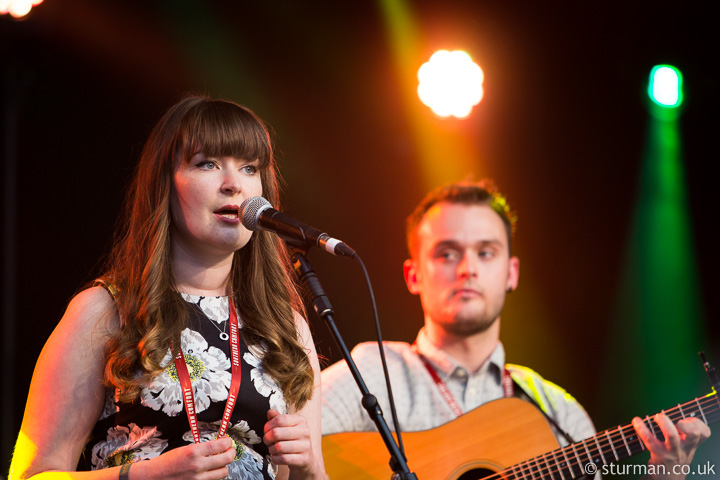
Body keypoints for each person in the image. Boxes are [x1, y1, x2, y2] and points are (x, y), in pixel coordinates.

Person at [10, 95, 327, 480]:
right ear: (165, 183)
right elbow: (30, 476)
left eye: (249, 168)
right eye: (207, 163)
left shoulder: (286, 326)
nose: (233, 185)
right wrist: (146, 476)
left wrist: (310, 470)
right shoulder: (106, 310)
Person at [321, 180, 710, 479]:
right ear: (414, 274)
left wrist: (667, 473)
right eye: (446, 253)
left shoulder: (560, 412)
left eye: (485, 252)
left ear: (512, 273)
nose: (467, 268)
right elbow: (273, 454)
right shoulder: (370, 371)